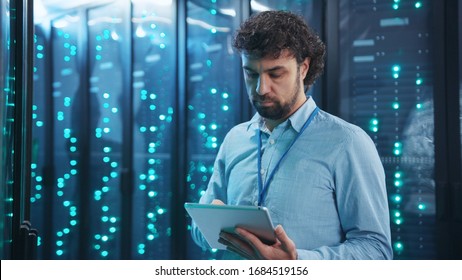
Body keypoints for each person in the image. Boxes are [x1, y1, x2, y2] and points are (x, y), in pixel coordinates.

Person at [190, 10, 392, 260]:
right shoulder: (235, 139)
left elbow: (376, 251)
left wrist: (296, 263)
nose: (261, 88)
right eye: (251, 74)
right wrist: (210, 222)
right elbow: (199, 232)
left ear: (303, 68)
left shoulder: (348, 142)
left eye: (275, 74)